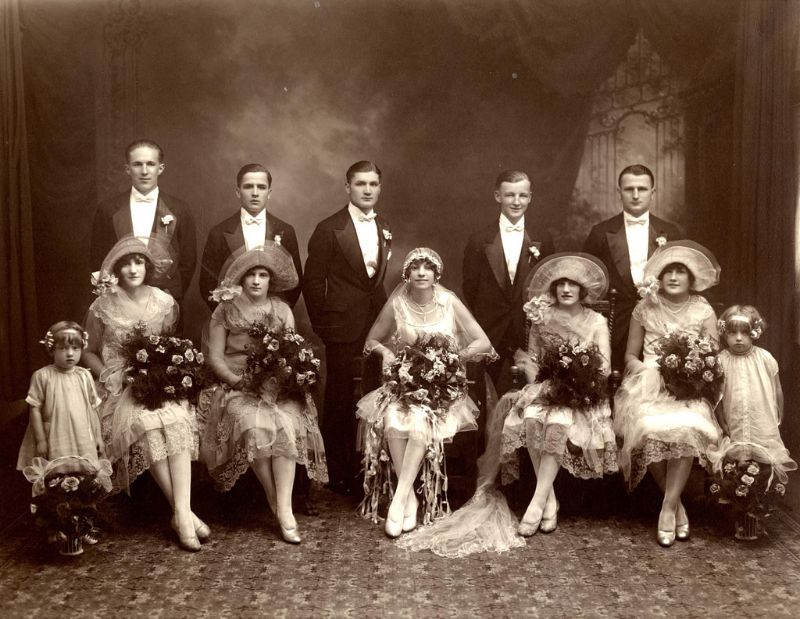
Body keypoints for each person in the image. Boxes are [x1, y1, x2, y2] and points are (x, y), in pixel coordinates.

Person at [356, 248, 494, 538]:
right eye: (415, 268)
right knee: (392, 417)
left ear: (436, 274)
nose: (421, 273)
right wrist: (384, 352)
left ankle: (398, 500)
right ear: (407, 274)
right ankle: (410, 500)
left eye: (427, 268)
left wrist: (454, 357)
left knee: (420, 422)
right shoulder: (397, 304)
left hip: (443, 392)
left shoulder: (448, 302)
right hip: (405, 384)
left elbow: (482, 342)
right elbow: (371, 339)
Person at [81, 236, 208, 552]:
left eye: (138, 262)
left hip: (154, 383)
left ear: (148, 267)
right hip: (118, 387)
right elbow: (89, 351)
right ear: (116, 269)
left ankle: (181, 514)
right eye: (126, 263)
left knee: (178, 422)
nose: (133, 268)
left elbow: (166, 348)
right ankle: (186, 516)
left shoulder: (163, 303)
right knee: (148, 428)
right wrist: (110, 375)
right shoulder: (102, 305)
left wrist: (161, 375)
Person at [199, 244, 327, 544]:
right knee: (254, 426)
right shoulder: (225, 308)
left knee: (287, 425)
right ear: (241, 280)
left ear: (271, 281)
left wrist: (281, 380)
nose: (256, 281)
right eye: (250, 275)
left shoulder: (281, 309)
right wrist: (236, 380)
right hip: (237, 385)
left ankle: (283, 506)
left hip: (275, 387)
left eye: (262, 275)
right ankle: (277, 503)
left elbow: (291, 352)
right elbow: (215, 356)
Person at [613, 240, 721, 547]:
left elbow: (712, 354)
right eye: (667, 272)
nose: (673, 277)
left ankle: (667, 507)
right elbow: (630, 357)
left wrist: (692, 372)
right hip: (647, 384)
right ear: (658, 278)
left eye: (680, 272)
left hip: (689, 388)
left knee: (687, 429)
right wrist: (649, 373)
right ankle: (677, 507)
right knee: (648, 429)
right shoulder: (645, 307)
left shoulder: (702, 309)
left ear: (691, 278)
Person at [501, 253, 618, 536]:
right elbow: (532, 360)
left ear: (582, 289)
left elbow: (603, 367)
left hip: (583, 393)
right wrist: (543, 385)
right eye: (560, 284)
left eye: (572, 284)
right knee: (530, 416)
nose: (566, 289)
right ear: (553, 289)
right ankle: (549, 501)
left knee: (558, 422)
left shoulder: (596, 321)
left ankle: (536, 502)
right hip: (547, 386)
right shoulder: (542, 317)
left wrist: (576, 382)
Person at [303, 160, 392, 496]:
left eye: (372, 184)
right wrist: (324, 325)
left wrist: (387, 318)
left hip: (374, 322)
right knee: (341, 397)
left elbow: (374, 281)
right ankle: (337, 473)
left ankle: (367, 466)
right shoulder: (329, 228)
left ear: (379, 188)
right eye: (360, 184)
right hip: (340, 326)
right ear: (347, 188)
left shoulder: (384, 225)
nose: (367, 190)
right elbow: (313, 282)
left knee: (373, 391)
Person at [582, 164, 683, 371]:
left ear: (653, 192)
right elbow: (586, 283)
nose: (636, 195)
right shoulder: (600, 233)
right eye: (629, 189)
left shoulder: (670, 232)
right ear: (619, 192)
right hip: (615, 323)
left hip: (660, 322)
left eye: (642, 189)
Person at [463, 170, 554, 394]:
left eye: (522, 195)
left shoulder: (542, 238)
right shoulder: (480, 239)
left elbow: (549, 283)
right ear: (497, 196)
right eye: (509, 195)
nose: (516, 201)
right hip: (490, 327)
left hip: (528, 327)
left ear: (530, 197)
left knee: (532, 389)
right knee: (485, 390)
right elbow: (470, 286)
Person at [89, 139, 197, 315]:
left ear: (160, 168)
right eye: (138, 164)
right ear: (127, 169)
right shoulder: (108, 209)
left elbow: (187, 262)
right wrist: (114, 293)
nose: (144, 171)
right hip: (120, 301)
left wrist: (169, 294)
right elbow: (98, 258)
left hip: (165, 302)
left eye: (150, 164)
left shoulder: (179, 209)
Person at [199, 163, 302, 310]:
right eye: (248, 186)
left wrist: (275, 313)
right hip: (232, 320)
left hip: (272, 319)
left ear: (269, 193)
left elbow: (294, 282)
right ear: (238, 192)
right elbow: (207, 284)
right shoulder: (219, 233)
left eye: (261, 187)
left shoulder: (286, 231)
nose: (255, 193)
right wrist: (230, 315)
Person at [712, 306, 797, 477]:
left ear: (754, 333)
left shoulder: (764, 357)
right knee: (735, 455)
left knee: (763, 455)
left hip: (762, 416)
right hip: (733, 415)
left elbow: (777, 389)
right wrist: (721, 420)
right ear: (724, 333)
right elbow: (717, 398)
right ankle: (735, 488)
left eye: (744, 333)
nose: (738, 338)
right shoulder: (721, 360)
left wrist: (778, 416)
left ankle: (763, 491)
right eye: (732, 333)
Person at [17, 321, 104, 468]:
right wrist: (41, 440)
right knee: (56, 472)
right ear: (52, 350)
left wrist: (98, 437)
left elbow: (93, 409)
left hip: (82, 434)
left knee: (84, 472)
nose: (70, 353)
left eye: (75, 348)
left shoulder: (84, 375)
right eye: (63, 348)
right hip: (55, 434)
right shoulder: (42, 376)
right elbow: (35, 409)